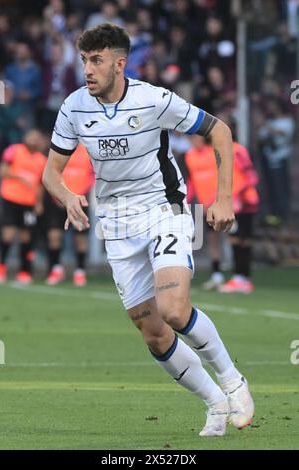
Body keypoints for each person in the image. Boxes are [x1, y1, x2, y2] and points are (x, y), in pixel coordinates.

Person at [42, 23, 254, 437]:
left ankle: (232, 381)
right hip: (116, 225)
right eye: (85, 59)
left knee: (174, 310)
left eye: (97, 60)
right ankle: (214, 402)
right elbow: (52, 170)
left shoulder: (153, 99)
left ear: (120, 64)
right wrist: (66, 196)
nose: (88, 68)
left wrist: (224, 198)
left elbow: (220, 131)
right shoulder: (73, 107)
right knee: (153, 333)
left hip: (165, 210)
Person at [186, 135, 259, 293]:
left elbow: (250, 177)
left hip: (241, 202)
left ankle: (242, 278)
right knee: (223, 238)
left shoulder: (236, 150)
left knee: (239, 239)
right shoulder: (195, 154)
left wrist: (232, 197)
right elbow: (194, 180)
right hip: (215, 204)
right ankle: (226, 276)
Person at [0, 129, 47, 284]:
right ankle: (2, 268)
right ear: (25, 137)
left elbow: (40, 185)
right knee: (8, 234)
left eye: (36, 138)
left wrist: (39, 203)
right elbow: (3, 171)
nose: (33, 140)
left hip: (29, 203)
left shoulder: (42, 160)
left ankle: (25, 271)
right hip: (11, 199)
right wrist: (20, 177)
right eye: (31, 136)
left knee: (26, 236)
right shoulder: (14, 151)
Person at [45, 143, 94, 286]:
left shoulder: (87, 151)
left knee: (80, 238)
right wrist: (60, 196)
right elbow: (51, 172)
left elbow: (91, 176)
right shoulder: (59, 149)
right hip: (58, 201)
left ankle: (80, 272)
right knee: (54, 235)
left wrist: (80, 195)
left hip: (79, 201)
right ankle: (56, 269)